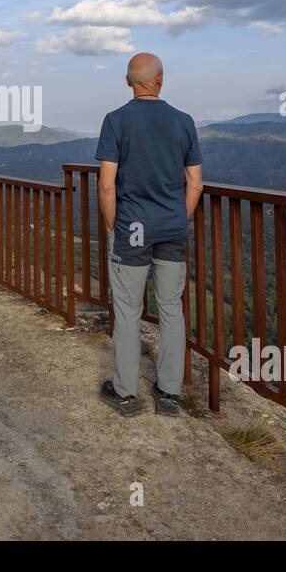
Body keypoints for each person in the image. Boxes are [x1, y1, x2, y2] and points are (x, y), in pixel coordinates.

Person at [94, 53, 203, 416]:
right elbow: (195, 184)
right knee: (171, 308)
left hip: (132, 230)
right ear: (160, 80)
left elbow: (107, 185)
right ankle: (168, 394)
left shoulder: (115, 121)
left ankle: (125, 394)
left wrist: (113, 225)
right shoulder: (184, 122)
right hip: (171, 228)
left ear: (129, 82)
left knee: (128, 310)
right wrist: (177, 217)